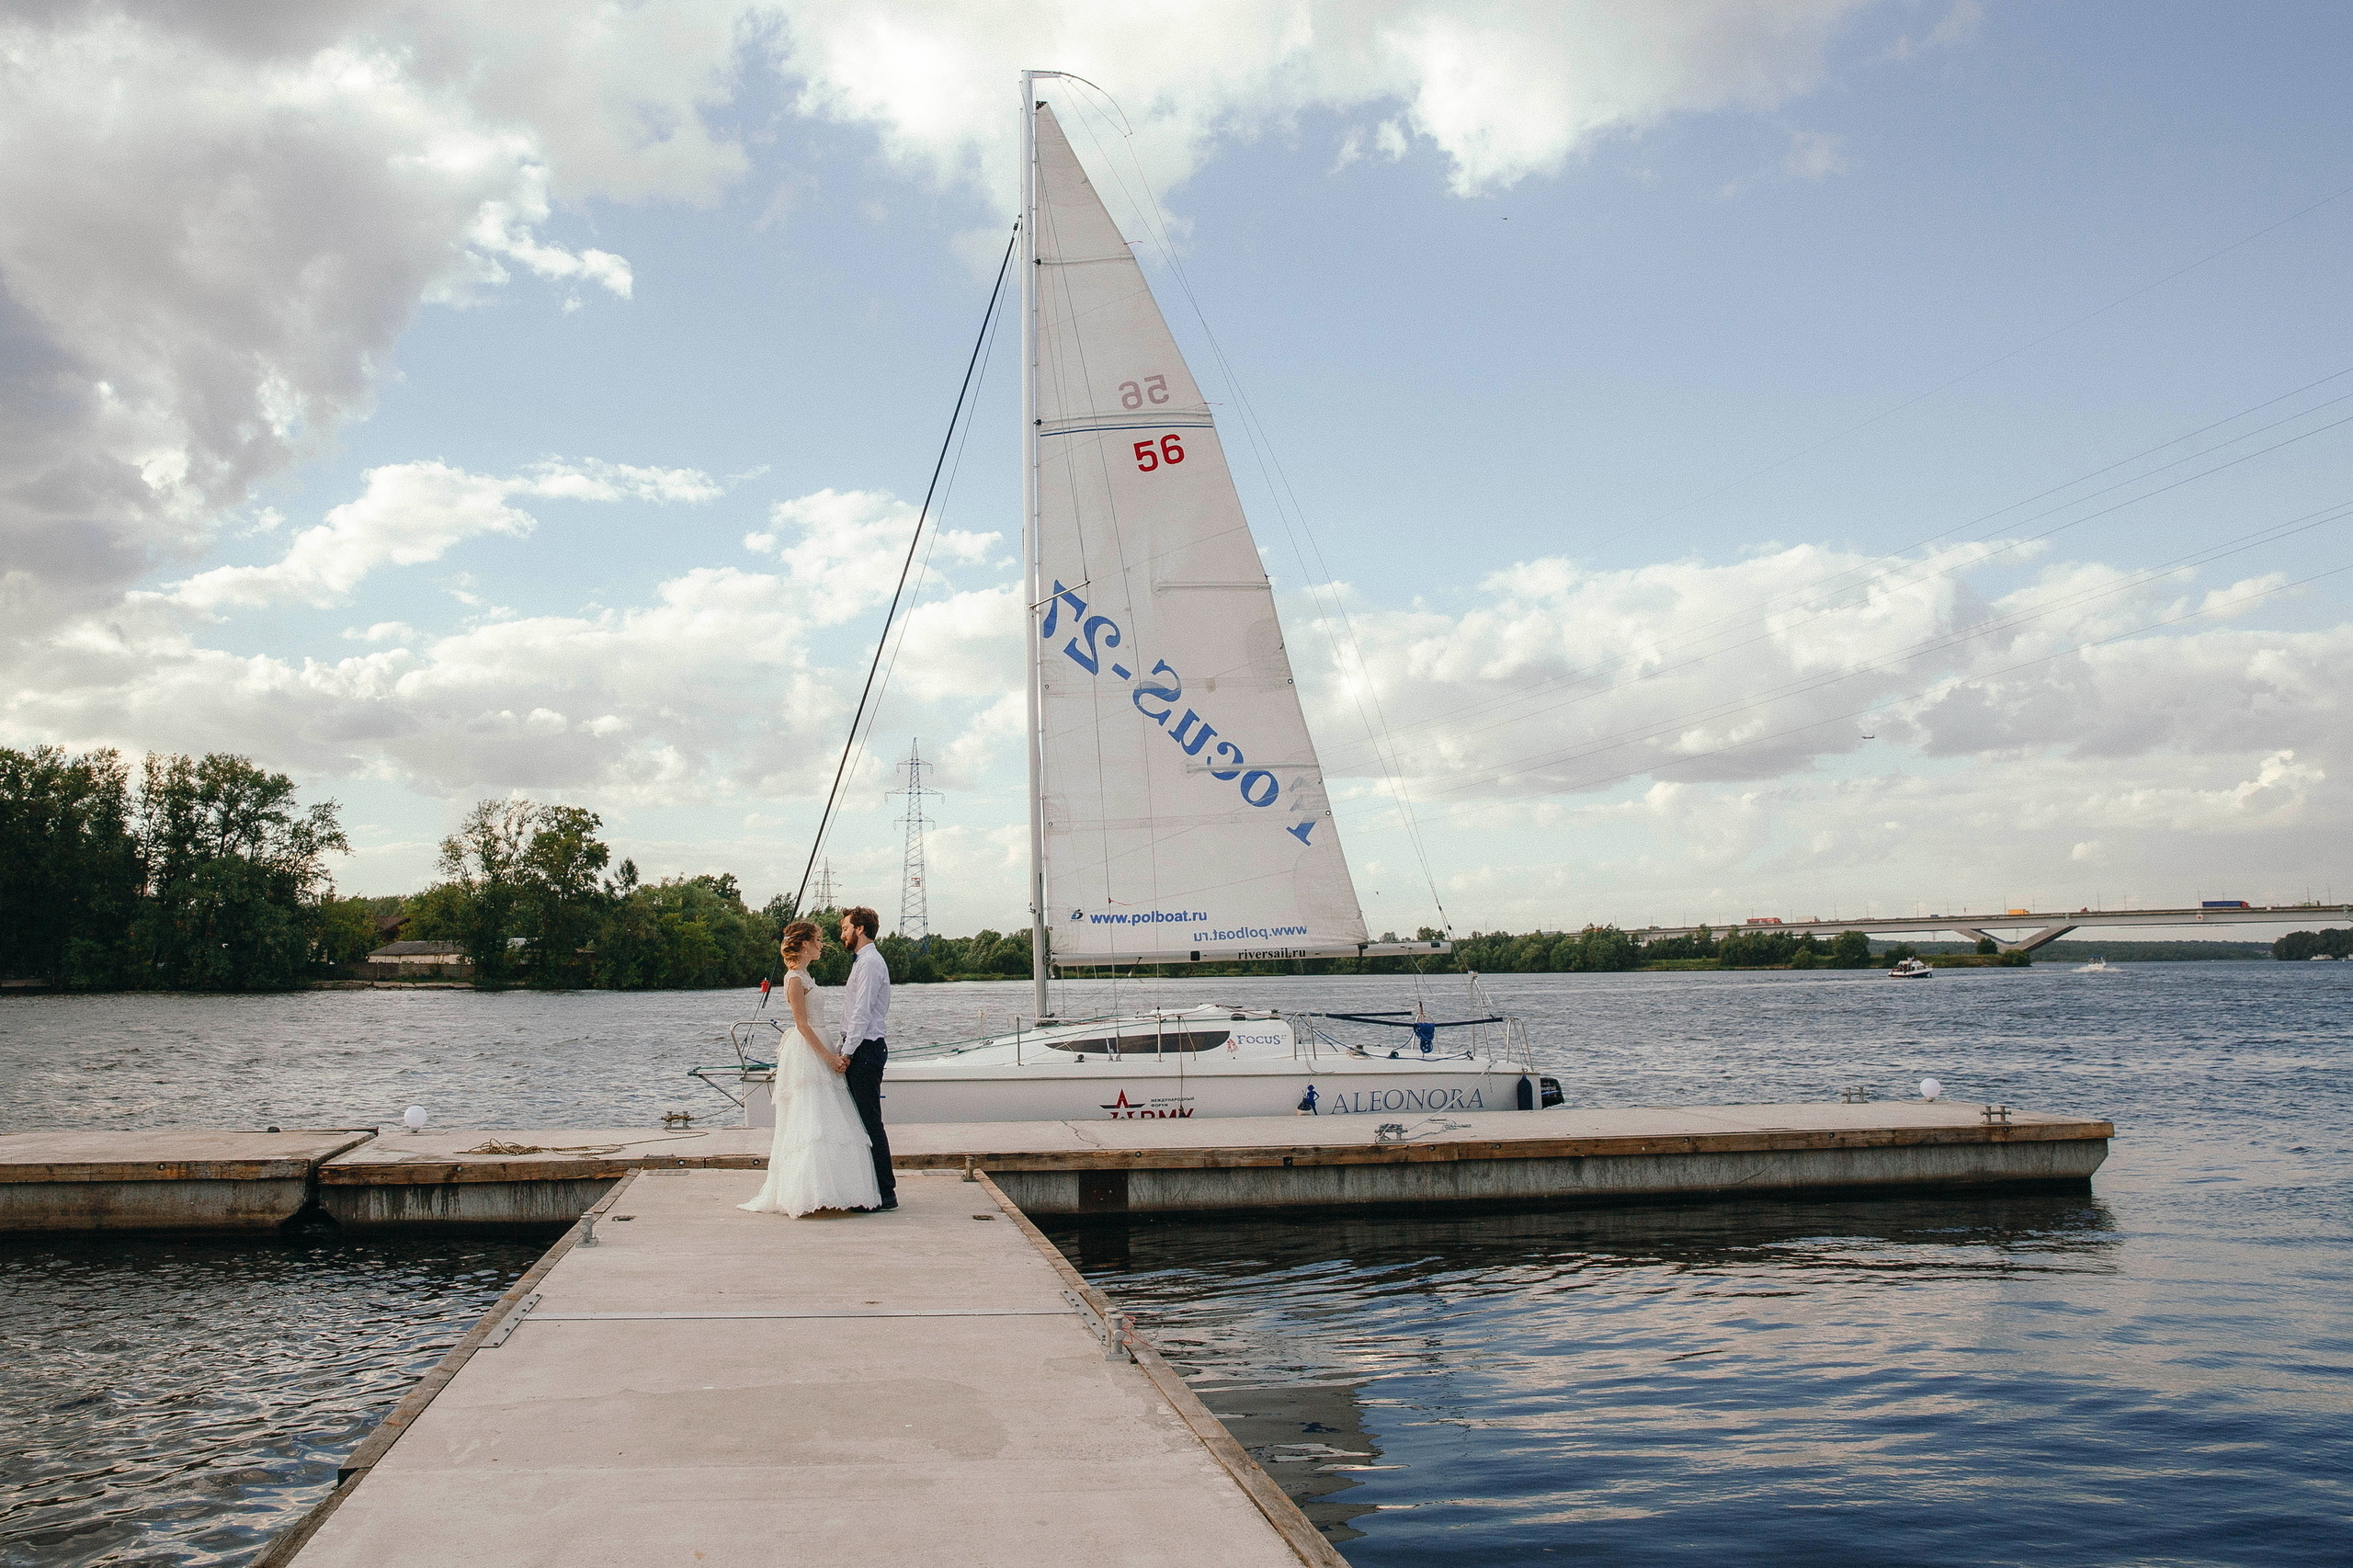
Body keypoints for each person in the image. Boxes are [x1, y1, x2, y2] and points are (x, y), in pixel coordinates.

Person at [738, 921, 880, 1218]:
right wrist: (829, 1057)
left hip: (822, 1042)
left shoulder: (805, 976)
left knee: (829, 1119)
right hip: (809, 1051)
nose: (821, 945)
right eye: (816, 940)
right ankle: (808, 1192)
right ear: (803, 945)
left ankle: (832, 1190)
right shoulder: (793, 980)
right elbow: (802, 1025)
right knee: (811, 1121)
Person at [836, 904, 897, 1211]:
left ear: (860, 929)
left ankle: (885, 1192)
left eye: (846, 928)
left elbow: (861, 1013)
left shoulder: (871, 963)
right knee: (861, 1121)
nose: (842, 933)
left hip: (866, 1050)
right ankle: (871, 1188)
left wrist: (846, 1054)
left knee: (869, 1121)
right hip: (860, 1047)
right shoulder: (862, 962)